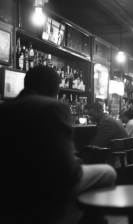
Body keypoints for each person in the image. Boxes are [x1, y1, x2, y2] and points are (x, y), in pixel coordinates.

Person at [0, 66, 116, 224]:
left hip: (10, 185)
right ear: (56, 89)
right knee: (108, 172)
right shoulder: (53, 107)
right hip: (45, 182)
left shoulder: (4, 109)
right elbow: (66, 170)